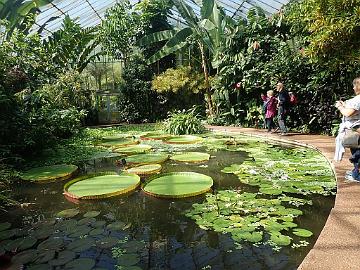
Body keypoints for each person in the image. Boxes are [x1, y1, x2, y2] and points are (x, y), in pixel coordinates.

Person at [334, 77, 360, 181]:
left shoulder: (358, 99)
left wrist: (340, 107)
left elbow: (348, 113)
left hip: (356, 128)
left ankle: (357, 175)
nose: (353, 88)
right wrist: (345, 105)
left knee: (357, 152)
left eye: (354, 85)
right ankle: (356, 172)